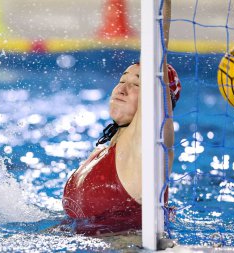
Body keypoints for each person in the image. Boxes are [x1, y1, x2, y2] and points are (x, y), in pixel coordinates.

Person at [62, 0, 180, 236]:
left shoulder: (147, 149)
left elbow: (156, 47)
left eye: (137, 83)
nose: (122, 88)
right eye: (122, 80)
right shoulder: (103, 151)